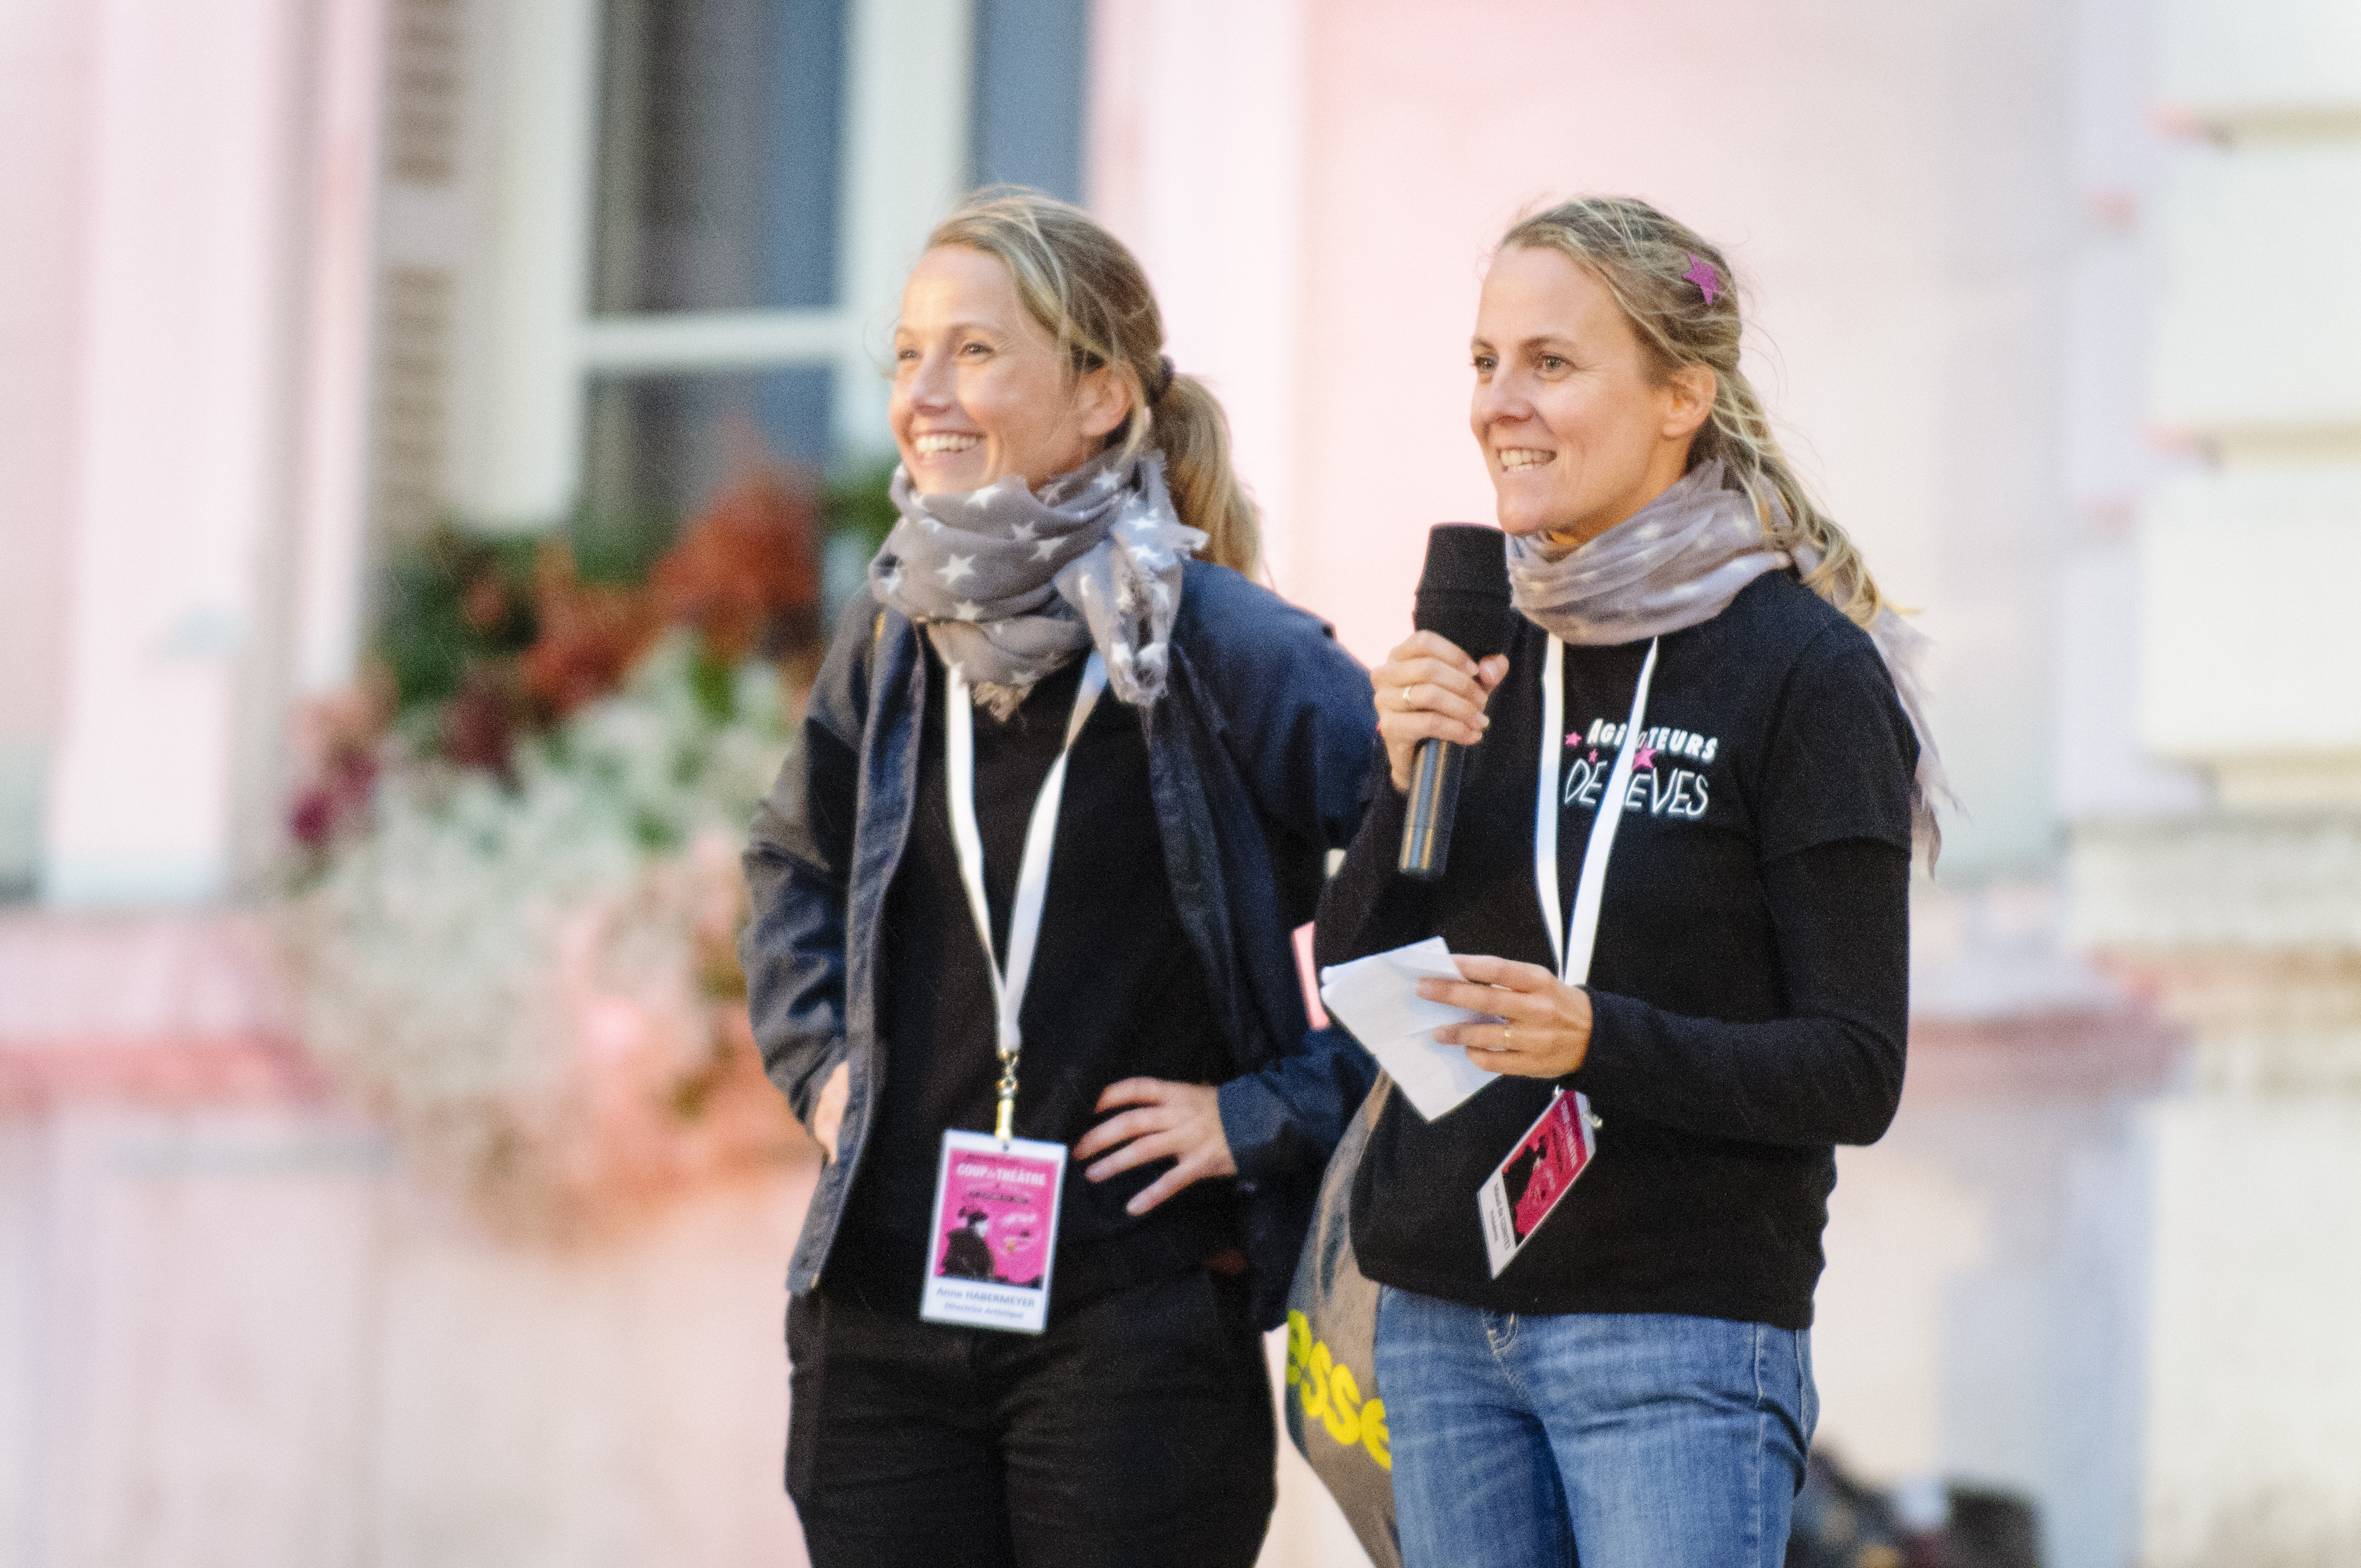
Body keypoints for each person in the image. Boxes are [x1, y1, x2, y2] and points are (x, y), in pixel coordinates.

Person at [741, 188, 1378, 1568]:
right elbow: (790, 862)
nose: (924, 393)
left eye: (972, 351)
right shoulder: (895, 626)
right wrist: (822, 1072)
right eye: (907, 354)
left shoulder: (1238, 652)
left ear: (1099, 392)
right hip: (884, 1328)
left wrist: (1266, 1112)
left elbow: (1454, 918)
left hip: (1133, 1332)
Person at [1313, 195, 1949, 1568]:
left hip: (1677, 1329)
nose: (1499, 404)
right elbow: (1358, 960)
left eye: (1549, 362)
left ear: (1680, 394)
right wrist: (1399, 758)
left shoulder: (1805, 673)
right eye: (1482, 363)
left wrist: (1598, 1038)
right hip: (1438, 1318)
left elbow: (1853, 1068)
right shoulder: (1479, 644)